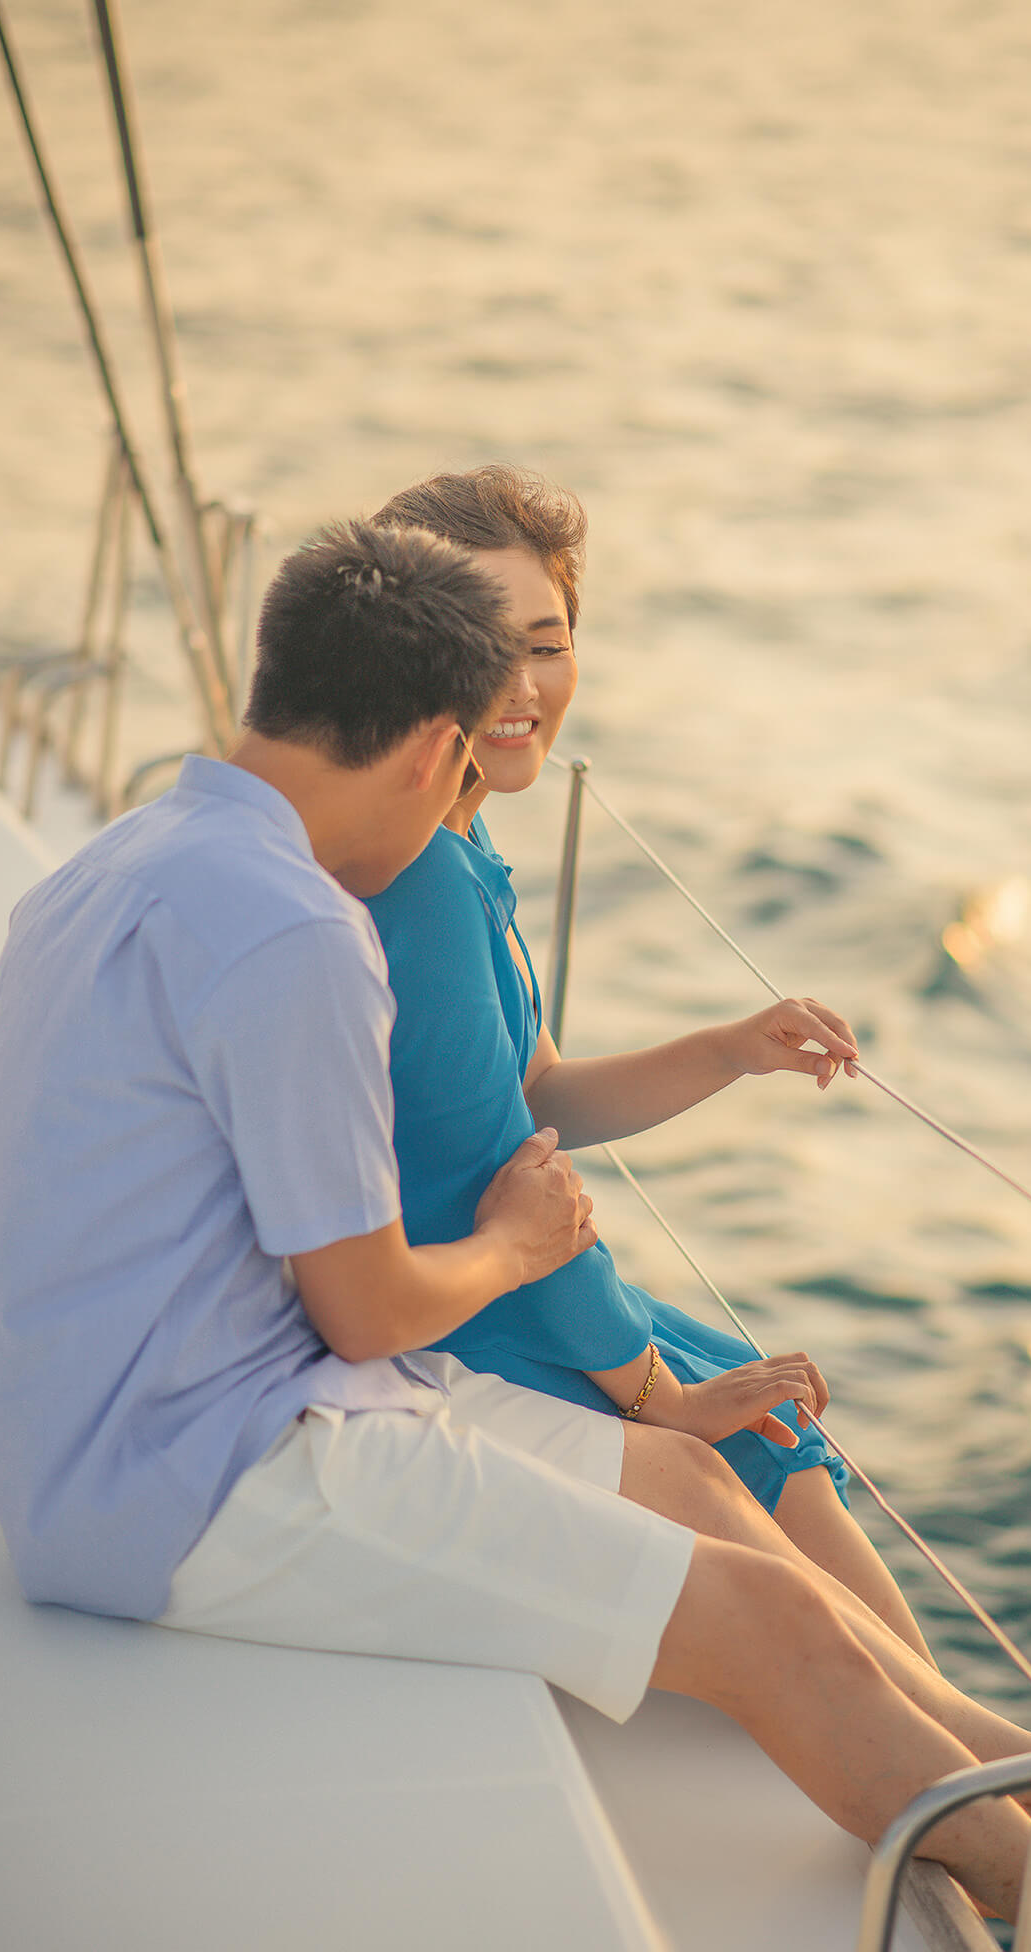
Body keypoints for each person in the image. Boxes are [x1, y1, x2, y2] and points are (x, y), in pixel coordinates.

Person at [0, 520, 1031, 1950]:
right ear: (430, 745)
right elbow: (371, 1312)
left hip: (130, 1413)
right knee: (774, 1626)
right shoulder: (299, 932)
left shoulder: (130, 852)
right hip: (186, 1481)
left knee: (697, 1489)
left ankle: (1012, 1804)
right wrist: (519, 1242)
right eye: (462, 768)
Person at [365, 464, 929, 1658]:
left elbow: (540, 1094)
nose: (523, 687)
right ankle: (996, 1786)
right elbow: (487, 1176)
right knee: (765, 1442)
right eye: (480, 645)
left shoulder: (454, 832)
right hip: (463, 1308)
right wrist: (653, 1398)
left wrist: (729, 1048)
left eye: (548, 641)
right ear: (406, 653)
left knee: (785, 1438)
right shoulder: (418, 879)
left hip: (507, 1274)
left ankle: (1005, 1781)